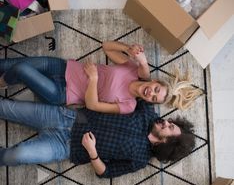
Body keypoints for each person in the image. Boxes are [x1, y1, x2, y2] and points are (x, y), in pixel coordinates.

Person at [0, 98, 195, 177]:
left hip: (65, 147)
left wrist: (92, 152)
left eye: (170, 128)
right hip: (67, 117)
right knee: (8, 108)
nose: (166, 122)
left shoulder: (140, 159)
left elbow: (105, 172)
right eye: (171, 123)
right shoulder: (147, 114)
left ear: (166, 143)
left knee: (17, 155)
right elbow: (142, 87)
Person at [0, 41, 202, 113]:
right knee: (8, 64)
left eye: (153, 98)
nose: (151, 93)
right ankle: (7, 77)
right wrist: (128, 50)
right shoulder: (134, 69)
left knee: (21, 69)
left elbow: (93, 106)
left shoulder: (128, 105)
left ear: (149, 101)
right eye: (156, 89)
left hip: (62, 93)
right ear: (154, 82)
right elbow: (106, 47)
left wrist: (94, 79)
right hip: (62, 67)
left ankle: (3, 83)